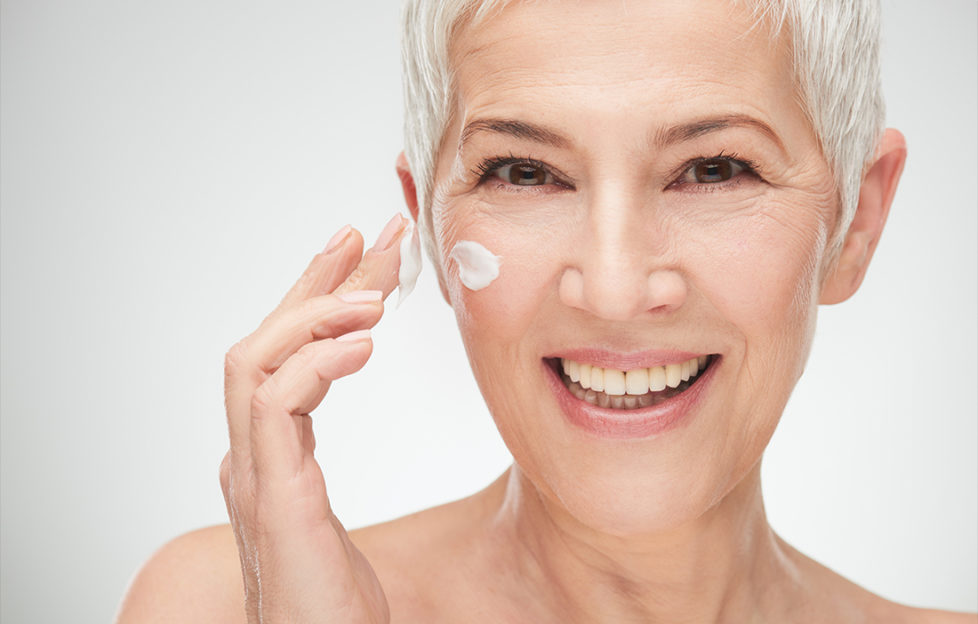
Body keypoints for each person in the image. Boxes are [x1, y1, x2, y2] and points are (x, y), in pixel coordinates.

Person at [115, 0, 975, 621]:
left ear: (856, 221)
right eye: (524, 172)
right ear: (427, 219)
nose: (611, 287)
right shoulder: (222, 605)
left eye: (714, 168)